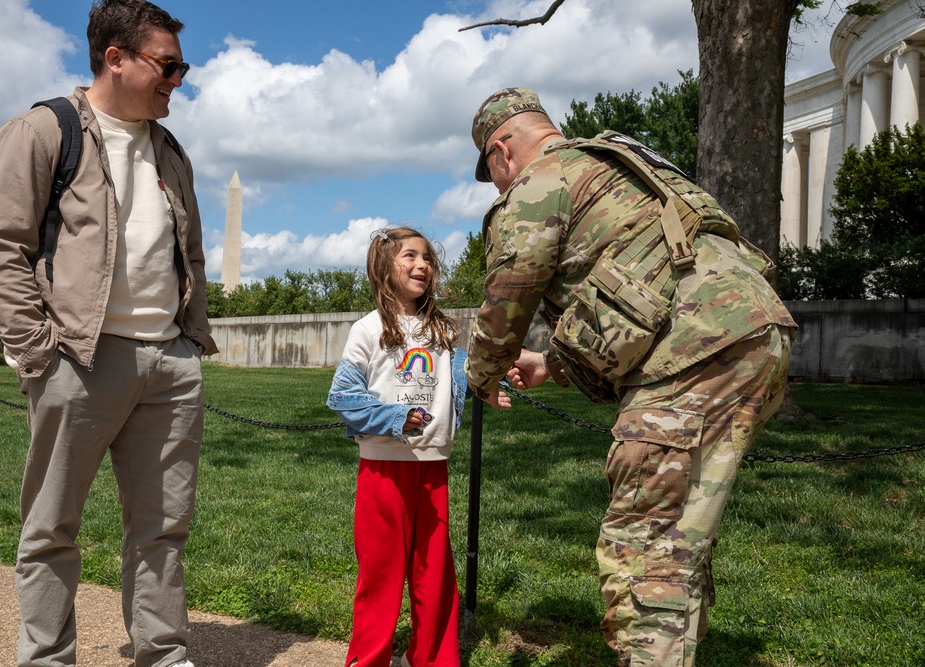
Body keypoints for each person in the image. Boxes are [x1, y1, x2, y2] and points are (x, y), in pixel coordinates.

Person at [464, 87, 797, 667]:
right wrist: (554, 363)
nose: (496, 183)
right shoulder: (623, 165)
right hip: (755, 334)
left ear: (500, 152)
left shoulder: (537, 184)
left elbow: (510, 292)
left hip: (691, 356)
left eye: (491, 171)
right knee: (679, 538)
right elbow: (646, 281)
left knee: (643, 545)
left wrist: (484, 374)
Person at [0, 1, 215, 666]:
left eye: (181, 67)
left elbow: (190, 253)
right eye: (167, 65)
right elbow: (3, 248)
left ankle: (163, 655)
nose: (177, 79)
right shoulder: (44, 129)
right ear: (116, 58)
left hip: (168, 362)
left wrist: (187, 343)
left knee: (163, 530)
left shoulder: (171, 151)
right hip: (78, 359)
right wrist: (37, 354)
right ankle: (49, 658)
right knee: (52, 528)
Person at [327, 227, 510, 667]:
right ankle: (368, 660)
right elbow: (343, 396)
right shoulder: (367, 329)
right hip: (383, 470)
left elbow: (462, 378)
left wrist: (487, 385)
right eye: (410, 256)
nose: (422, 265)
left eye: (427, 258)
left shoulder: (443, 330)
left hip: (433, 467)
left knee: (435, 576)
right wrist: (394, 418)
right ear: (383, 266)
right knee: (382, 577)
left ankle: (432, 659)